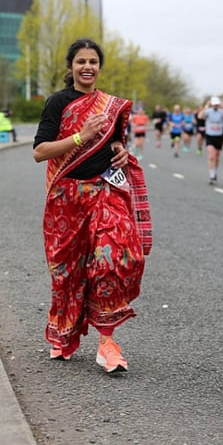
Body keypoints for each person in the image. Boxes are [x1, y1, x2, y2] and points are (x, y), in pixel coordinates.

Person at [32, 38, 152, 373]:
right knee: (69, 273)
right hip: (67, 199)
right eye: (81, 61)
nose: (88, 67)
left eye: (93, 62)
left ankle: (106, 341)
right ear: (70, 67)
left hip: (104, 192)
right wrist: (79, 137)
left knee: (114, 258)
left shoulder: (111, 106)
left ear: (100, 67)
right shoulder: (58, 103)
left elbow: (116, 144)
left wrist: (122, 152)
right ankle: (65, 333)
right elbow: (39, 152)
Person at [199, 96, 223, 185]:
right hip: (210, 135)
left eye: (217, 105)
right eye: (214, 104)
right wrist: (206, 107)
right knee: (212, 156)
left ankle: (214, 172)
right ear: (212, 104)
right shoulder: (208, 111)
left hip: (219, 136)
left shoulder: (221, 112)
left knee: (217, 157)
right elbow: (200, 116)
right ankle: (211, 175)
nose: (215, 106)